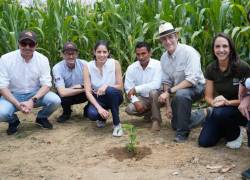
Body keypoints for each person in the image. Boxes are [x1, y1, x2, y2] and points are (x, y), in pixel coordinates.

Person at [0, 30, 61, 135]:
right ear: (18, 44)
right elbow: (3, 87)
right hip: (13, 94)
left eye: (31, 44)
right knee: (2, 113)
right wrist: (17, 104)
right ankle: (13, 121)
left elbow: (46, 84)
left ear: (36, 45)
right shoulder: (6, 59)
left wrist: (32, 101)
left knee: (55, 100)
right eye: (24, 43)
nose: (27, 47)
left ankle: (41, 118)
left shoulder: (42, 59)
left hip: (35, 94)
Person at [198, 33, 250, 148]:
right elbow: (208, 96)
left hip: (241, 110)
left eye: (225, 46)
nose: (221, 50)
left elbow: (248, 98)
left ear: (230, 48)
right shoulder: (211, 68)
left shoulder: (242, 67)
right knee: (204, 142)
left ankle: (235, 134)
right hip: (220, 109)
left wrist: (227, 102)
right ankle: (225, 129)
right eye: (217, 46)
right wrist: (214, 103)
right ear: (213, 49)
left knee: (220, 113)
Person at [157, 22, 205, 142]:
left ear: (177, 36)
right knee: (175, 124)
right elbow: (166, 82)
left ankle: (182, 134)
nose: (168, 42)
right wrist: (168, 106)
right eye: (164, 39)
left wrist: (169, 92)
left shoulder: (189, 52)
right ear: (161, 42)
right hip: (178, 90)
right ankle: (205, 113)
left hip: (198, 87)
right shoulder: (163, 58)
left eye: (170, 37)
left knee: (181, 95)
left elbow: (191, 80)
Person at [83, 40, 124, 137]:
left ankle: (117, 124)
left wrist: (107, 86)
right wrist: (99, 108)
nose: (102, 55)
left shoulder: (115, 63)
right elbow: (88, 92)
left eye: (104, 52)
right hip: (99, 98)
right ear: (94, 52)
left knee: (110, 91)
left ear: (108, 53)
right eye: (99, 52)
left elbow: (120, 86)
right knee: (92, 114)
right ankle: (102, 117)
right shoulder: (87, 66)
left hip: (115, 96)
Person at [124, 42, 162, 131]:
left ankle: (156, 121)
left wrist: (136, 89)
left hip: (159, 96)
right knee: (130, 109)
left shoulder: (158, 65)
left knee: (153, 92)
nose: (141, 57)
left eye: (143, 53)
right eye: (138, 54)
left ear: (150, 53)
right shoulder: (131, 68)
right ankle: (149, 113)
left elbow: (156, 84)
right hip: (144, 97)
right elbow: (128, 88)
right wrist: (135, 101)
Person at [52, 42, 88, 123]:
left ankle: (88, 109)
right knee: (59, 96)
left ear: (77, 54)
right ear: (62, 54)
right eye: (68, 54)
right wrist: (83, 88)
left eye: (73, 53)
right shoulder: (57, 68)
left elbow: (93, 84)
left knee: (94, 91)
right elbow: (62, 92)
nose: (71, 56)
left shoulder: (85, 64)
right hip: (69, 94)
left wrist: (82, 87)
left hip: (83, 93)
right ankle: (66, 112)